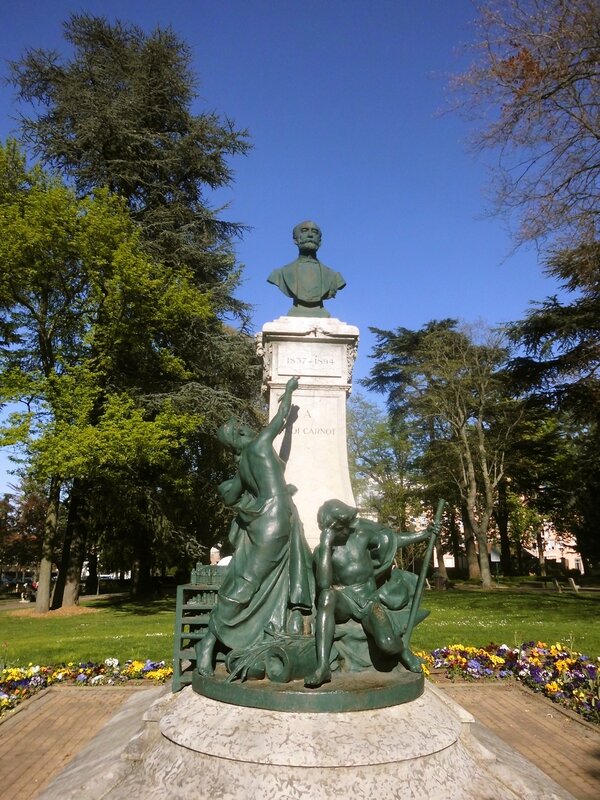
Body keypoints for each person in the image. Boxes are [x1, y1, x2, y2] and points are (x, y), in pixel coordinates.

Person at [195, 376, 314, 677]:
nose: (247, 427)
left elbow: (231, 495)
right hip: (275, 522)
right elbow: (281, 417)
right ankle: (209, 641)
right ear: (237, 437)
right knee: (247, 583)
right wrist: (288, 392)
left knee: (254, 582)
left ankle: (252, 634)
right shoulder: (260, 444)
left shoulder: (243, 464)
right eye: (240, 427)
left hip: (268, 521)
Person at [304, 499, 440, 688]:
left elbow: (392, 541)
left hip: (369, 602)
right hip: (344, 600)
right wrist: (326, 547)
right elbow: (324, 584)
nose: (351, 527)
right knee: (327, 596)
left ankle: (402, 651)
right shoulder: (322, 552)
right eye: (345, 525)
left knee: (388, 645)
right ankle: (323, 666)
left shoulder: (361, 537)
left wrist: (423, 534)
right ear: (335, 528)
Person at [267, 221, 346, 317]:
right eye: (304, 231)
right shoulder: (280, 274)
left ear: (320, 241)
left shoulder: (334, 276)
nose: (310, 235)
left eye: (314, 232)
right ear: (295, 240)